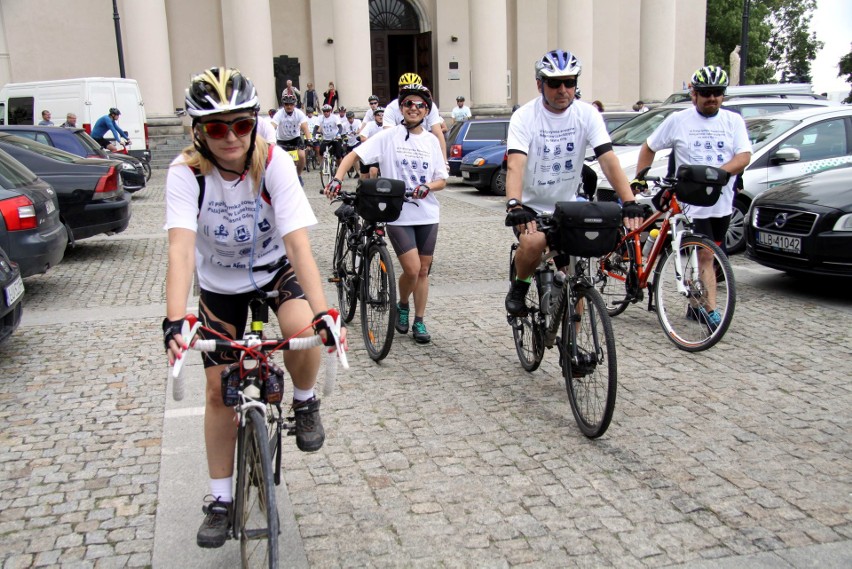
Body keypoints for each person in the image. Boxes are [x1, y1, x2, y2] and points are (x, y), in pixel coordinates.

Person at [163, 67, 344, 549]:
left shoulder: (275, 163)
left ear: (253, 122)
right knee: (217, 389)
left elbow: (298, 244)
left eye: (240, 124)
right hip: (220, 285)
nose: (230, 138)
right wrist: (175, 320)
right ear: (199, 131)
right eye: (217, 128)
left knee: (302, 325)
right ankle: (221, 499)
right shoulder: (185, 174)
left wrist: (325, 314)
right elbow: (180, 250)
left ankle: (304, 401)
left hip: (274, 269)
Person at [504, 49, 644, 316]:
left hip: (568, 205)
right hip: (532, 204)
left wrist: (629, 201)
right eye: (554, 83)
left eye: (570, 82)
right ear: (539, 84)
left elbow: (608, 159)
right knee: (533, 244)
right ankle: (519, 286)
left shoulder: (587, 114)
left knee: (575, 273)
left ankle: (574, 347)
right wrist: (514, 204)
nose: (563, 89)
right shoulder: (524, 116)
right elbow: (515, 163)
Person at [326, 85, 448, 344]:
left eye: (420, 105)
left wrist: (427, 187)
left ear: (426, 111)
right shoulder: (389, 136)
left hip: (427, 213)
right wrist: (337, 179)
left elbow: (441, 179)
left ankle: (419, 320)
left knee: (424, 270)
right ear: (401, 108)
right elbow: (352, 156)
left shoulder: (431, 141)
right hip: (398, 213)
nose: (414, 108)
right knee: (412, 269)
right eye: (408, 104)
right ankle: (402, 303)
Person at [634, 65, 751, 330]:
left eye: (717, 93)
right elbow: (649, 146)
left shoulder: (733, 121)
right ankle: (709, 312)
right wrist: (640, 176)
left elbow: (744, 156)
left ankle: (695, 303)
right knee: (705, 256)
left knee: (709, 256)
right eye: (706, 93)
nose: (712, 98)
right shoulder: (679, 120)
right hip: (688, 203)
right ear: (694, 94)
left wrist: (719, 174)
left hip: (720, 202)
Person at [383, 73, 448, 169]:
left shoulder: (431, 106)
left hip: (422, 148)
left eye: (419, 105)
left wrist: (444, 162)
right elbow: (388, 135)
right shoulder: (391, 108)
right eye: (405, 88)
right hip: (400, 150)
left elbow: (438, 133)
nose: (413, 108)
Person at [272, 93, 311, 179]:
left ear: (294, 105)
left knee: (302, 155)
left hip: (295, 139)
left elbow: (305, 127)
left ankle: (299, 175)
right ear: (283, 105)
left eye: (291, 104)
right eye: (286, 104)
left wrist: (308, 139)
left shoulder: (299, 113)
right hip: (282, 139)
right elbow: (273, 126)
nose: (289, 106)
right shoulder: (279, 113)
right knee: (276, 159)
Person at [357, 105, 384, 178]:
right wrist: (374, 141)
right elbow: (362, 137)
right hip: (367, 152)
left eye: (382, 115)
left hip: (378, 153)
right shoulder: (370, 124)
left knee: (373, 171)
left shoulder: (387, 126)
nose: (381, 116)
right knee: (364, 176)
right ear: (374, 116)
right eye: (378, 115)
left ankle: (373, 188)